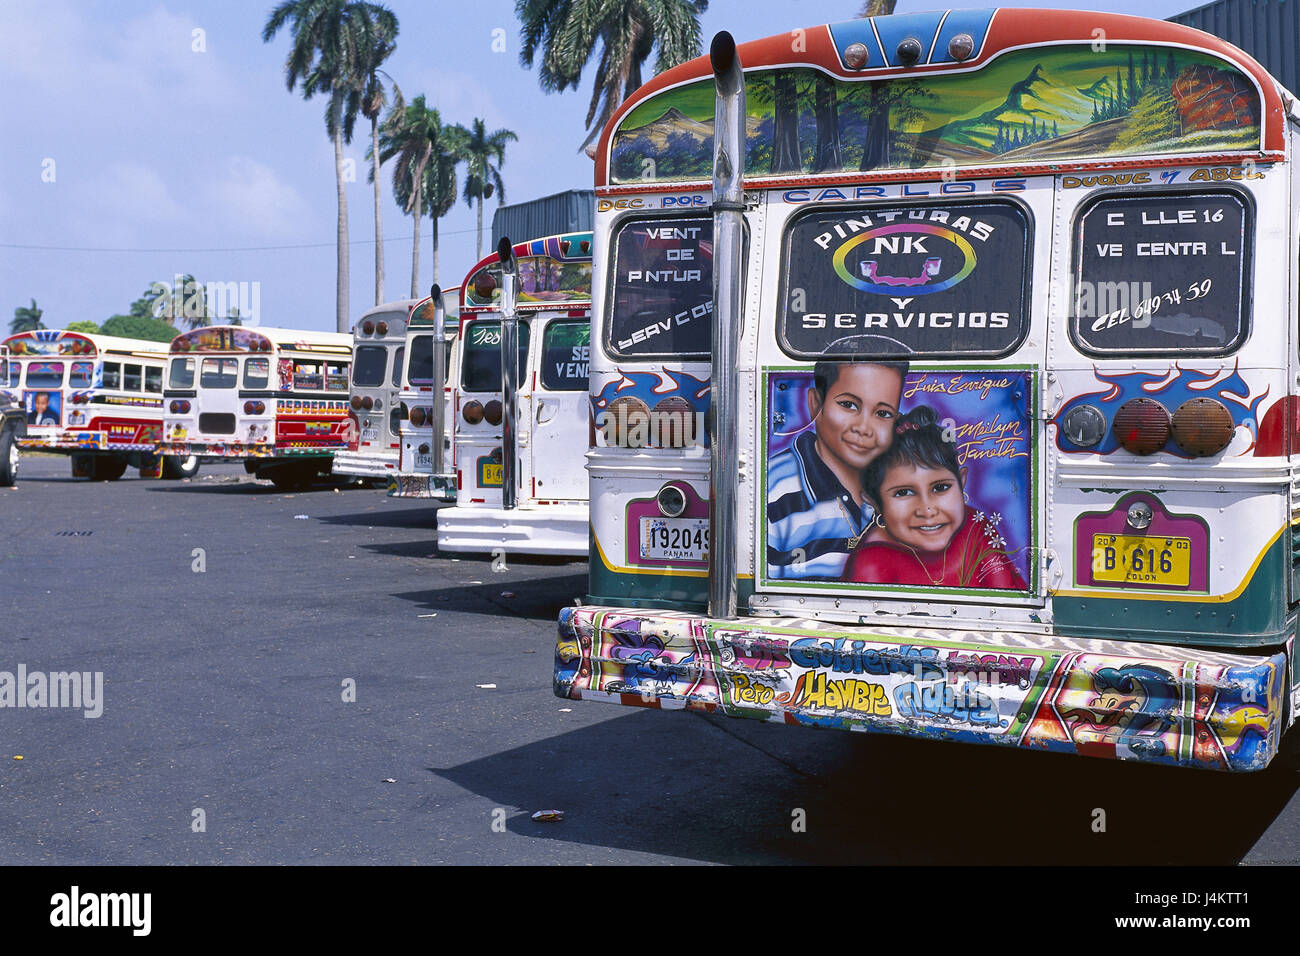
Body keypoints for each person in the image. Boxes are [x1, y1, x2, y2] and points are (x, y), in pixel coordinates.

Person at [844, 405, 1026, 589]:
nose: (927, 509)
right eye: (903, 492)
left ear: (961, 482)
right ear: (875, 502)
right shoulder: (871, 563)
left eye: (940, 488)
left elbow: (1006, 590)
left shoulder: (974, 527)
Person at [767, 360, 907, 579]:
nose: (863, 428)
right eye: (849, 405)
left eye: (883, 414)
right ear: (816, 404)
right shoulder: (772, 492)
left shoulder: (903, 489)